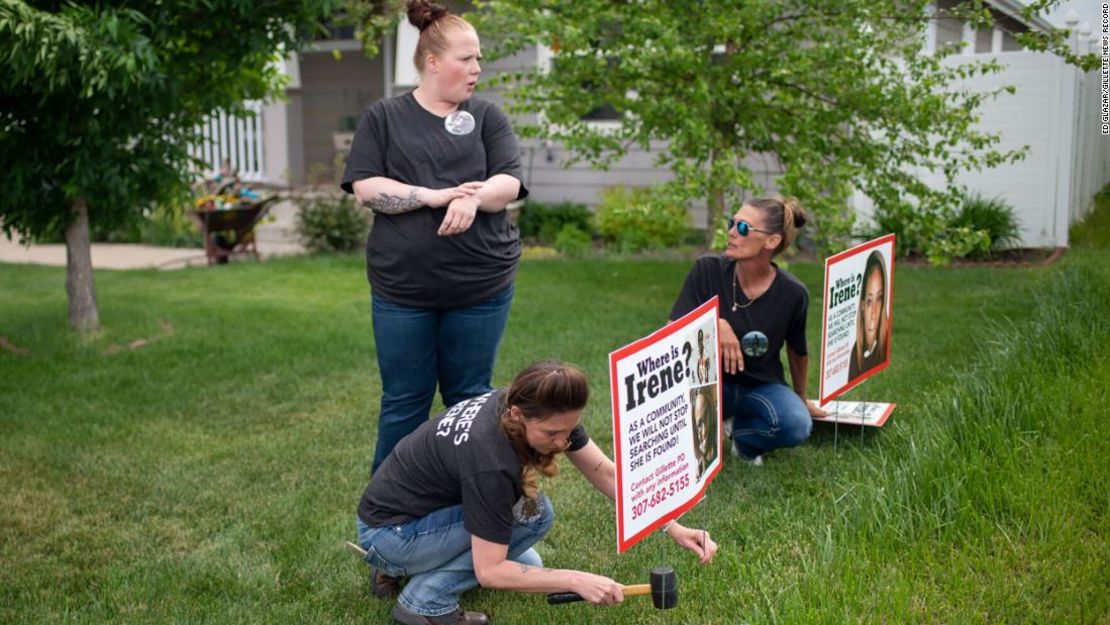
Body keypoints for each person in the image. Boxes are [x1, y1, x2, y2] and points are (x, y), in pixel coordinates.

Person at [355, 360, 718, 625]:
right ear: (517, 414)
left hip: (410, 521)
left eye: (570, 430)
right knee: (533, 515)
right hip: (390, 534)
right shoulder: (491, 462)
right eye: (551, 434)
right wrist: (576, 579)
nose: (563, 442)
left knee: (530, 565)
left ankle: (403, 568)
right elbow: (492, 572)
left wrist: (673, 525)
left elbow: (604, 472)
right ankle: (422, 602)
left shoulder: (529, 406)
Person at [340, 0, 528, 473]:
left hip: (480, 287)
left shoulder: (487, 118)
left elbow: (508, 182)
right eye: (467, 59)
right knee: (405, 399)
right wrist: (432, 195)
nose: (477, 69)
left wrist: (471, 197)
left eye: (478, 58)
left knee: (471, 399)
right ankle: (385, 514)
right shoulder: (384, 118)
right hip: (404, 291)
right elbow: (366, 187)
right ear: (432, 62)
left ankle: (477, 502)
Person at [670, 197, 827, 465]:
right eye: (732, 224)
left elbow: (797, 349)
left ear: (772, 241)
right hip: (708, 384)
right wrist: (714, 324)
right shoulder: (708, 270)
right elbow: (671, 330)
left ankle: (744, 439)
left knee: (797, 424)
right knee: (675, 434)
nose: (731, 232)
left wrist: (802, 398)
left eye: (743, 228)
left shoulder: (793, 293)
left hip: (761, 385)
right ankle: (715, 420)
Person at [848, 251, 889, 381]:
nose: (874, 314)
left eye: (879, 298)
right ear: (862, 305)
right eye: (869, 301)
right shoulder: (856, 354)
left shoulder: (884, 347)